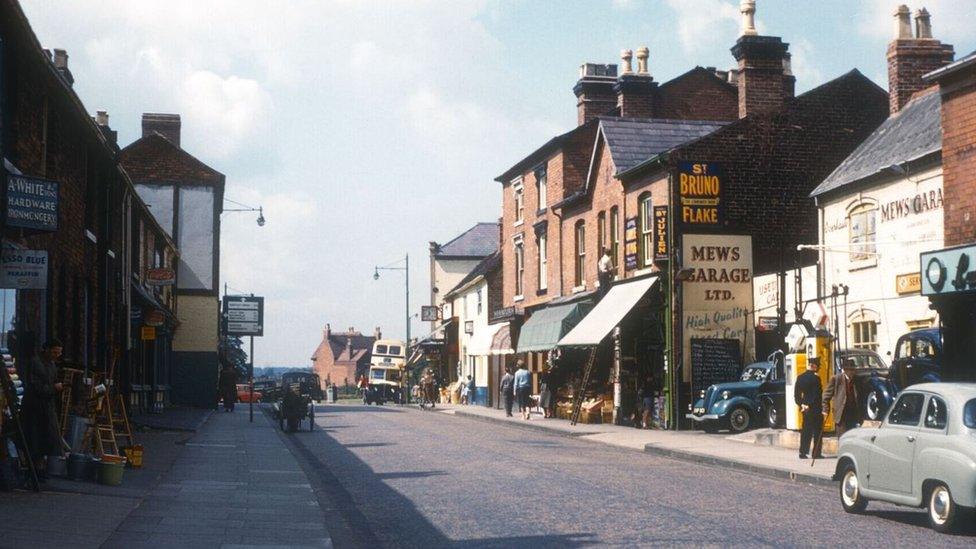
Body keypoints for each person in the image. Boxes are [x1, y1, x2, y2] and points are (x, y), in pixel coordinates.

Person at [22, 339, 64, 479]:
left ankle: (39, 469)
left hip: (47, 407)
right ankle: (33, 470)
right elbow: (36, 386)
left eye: (59, 352)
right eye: (54, 352)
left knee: (46, 439)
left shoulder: (52, 365)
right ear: (46, 349)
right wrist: (54, 388)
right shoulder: (35, 363)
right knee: (35, 439)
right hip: (34, 408)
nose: (56, 355)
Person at [794, 358, 824, 459]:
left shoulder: (800, 377)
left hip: (805, 409)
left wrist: (802, 404)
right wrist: (810, 405)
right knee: (818, 431)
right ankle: (816, 453)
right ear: (814, 366)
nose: (818, 368)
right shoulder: (816, 378)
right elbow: (817, 395)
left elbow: (796, 395)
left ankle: (803, 452)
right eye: (818, 366)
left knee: (806, 430)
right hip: (815, 408)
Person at [823, 358, 860, 437]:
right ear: (845, 370)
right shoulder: (836, 379)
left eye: (853, 370)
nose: (852, 372)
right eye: (850, 370)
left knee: (852, 438)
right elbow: (826, 396)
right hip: (841, 414)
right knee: (842, 437)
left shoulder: (857, 380)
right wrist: (825, 409)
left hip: (853, 414)